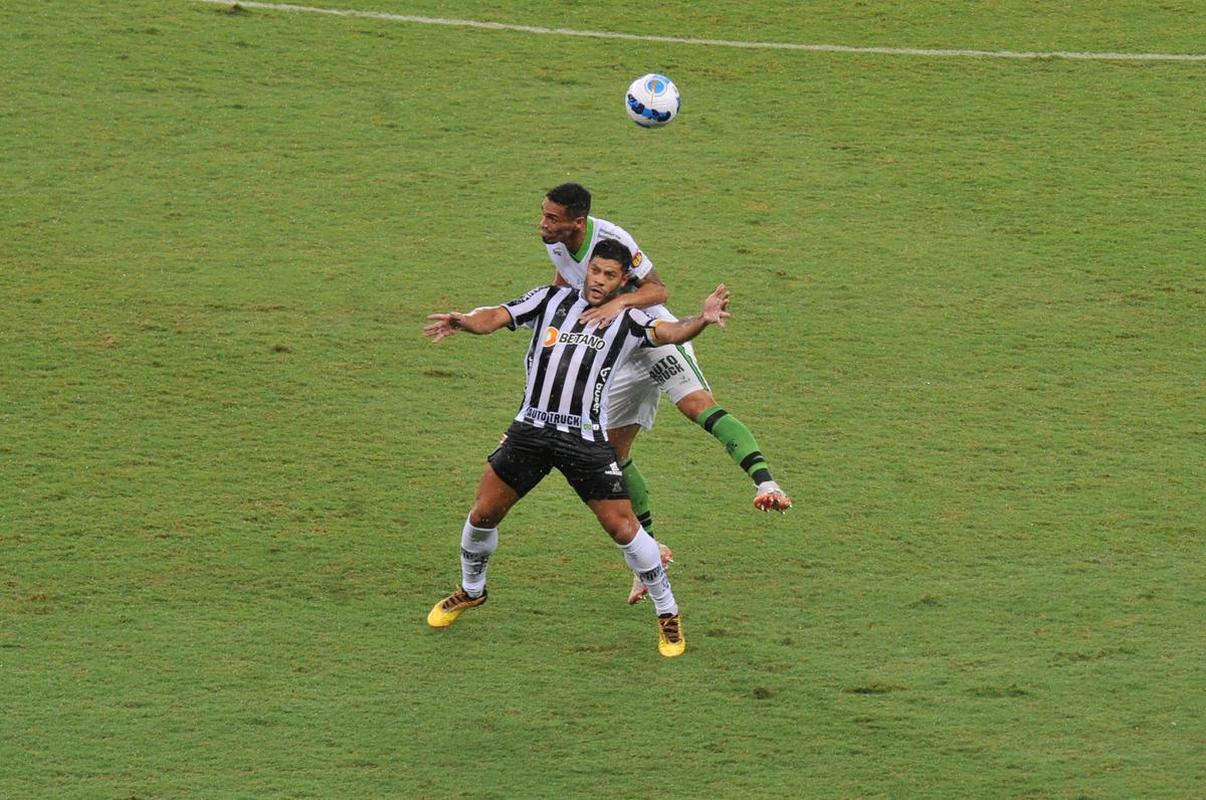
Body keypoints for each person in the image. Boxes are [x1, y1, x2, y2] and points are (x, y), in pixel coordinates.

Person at [422, 238, 732, 657]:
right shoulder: (549, 299)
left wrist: (704, 318)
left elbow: (671, 332)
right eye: (595, 271)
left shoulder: (629, 320)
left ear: (624, 282)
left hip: (583, 438)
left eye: (609, 276)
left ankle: (667, 613)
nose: (598, 281)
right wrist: (464, 320)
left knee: (624, 528)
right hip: (529, 431)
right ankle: (471, 590)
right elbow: (496, 315)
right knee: (483, 513)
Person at [539, 182, 792, 604]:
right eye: (544, 214)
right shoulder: (556, 244)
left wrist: (619, 305)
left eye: (552, 217)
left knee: (699, 409)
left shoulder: (613, 241)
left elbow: (658, 290)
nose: (543, 223)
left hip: (657, 337)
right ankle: (648, 556)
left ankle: (766, 484)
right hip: (618, 353)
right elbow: (565, 284)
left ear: (577, 221)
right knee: (612, 458)